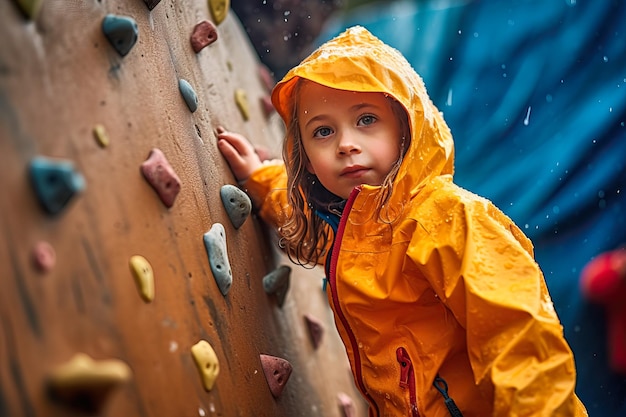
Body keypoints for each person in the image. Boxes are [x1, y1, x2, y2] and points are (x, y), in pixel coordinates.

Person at [217, 26, 587, 416]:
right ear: (307, 159)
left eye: (366, 120)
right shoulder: (357, 227)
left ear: (406, 130)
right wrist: (262, 178)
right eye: (323, 131)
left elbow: (518, 334)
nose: (345, 144)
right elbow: (319, 226)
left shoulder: (448, 217)